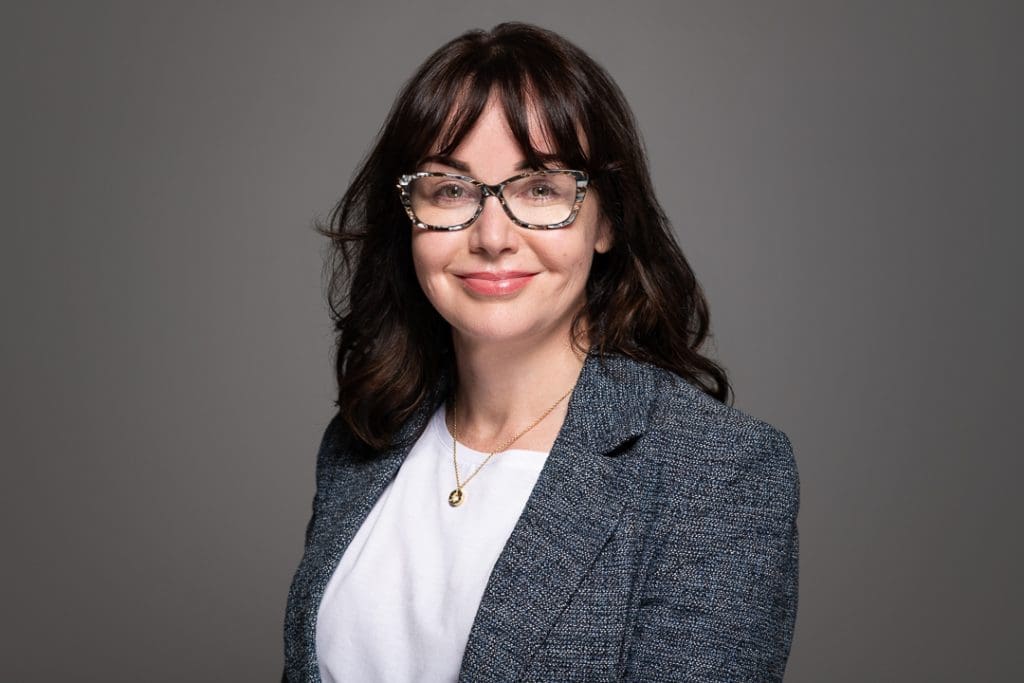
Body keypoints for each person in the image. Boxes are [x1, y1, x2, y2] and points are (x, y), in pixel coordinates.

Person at [283, 22, 799, 683]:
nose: (493, 235)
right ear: (409, 216)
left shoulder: (717, 472)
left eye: (541, 189)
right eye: (450, 190)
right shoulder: (360, 444)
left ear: (607, 219)